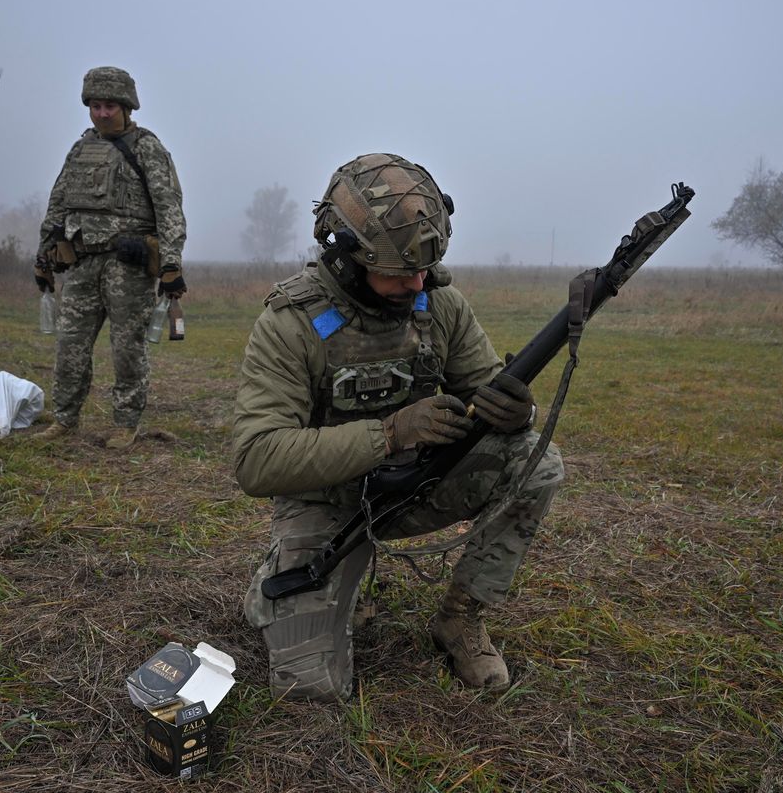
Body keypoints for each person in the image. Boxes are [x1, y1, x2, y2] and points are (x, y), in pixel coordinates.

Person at [234, 153, 564, 702]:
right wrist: (389, 434)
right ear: (345, 257)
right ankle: (292, 581)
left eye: (424, 268)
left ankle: (460, 618)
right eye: (397, 272)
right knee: (310, 690)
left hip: (414, 488)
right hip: (327, 503)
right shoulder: (291, 323)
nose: (417, 282)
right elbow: (257, 459)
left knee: (535, 460)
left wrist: (518, 412)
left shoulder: (438, 303)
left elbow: (484, 389)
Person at [34, 66, 187, 449]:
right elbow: (58, 205)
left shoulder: (146, 148)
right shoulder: (80, 149)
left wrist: (170, 264)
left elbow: (169, 208)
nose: (102, 113)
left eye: (110, 106)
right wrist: (43, 257)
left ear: (127, 107)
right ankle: (65, 419)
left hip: (128, 267)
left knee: (127, 348)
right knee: (70, 345)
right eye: (96, 106)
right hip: (82, 263)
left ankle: (125, 423)